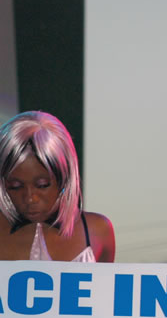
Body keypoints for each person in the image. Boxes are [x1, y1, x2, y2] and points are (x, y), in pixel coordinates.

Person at [0, 111, 115, 262]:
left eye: (42, 185)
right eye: (15, 186)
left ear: (65, 176)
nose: (30, 198)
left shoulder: (98, 230)